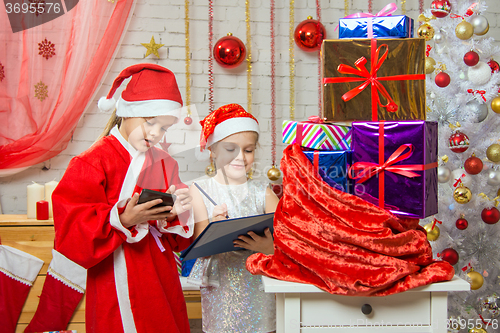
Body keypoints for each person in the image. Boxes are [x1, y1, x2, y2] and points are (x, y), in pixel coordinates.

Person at [51, 64, 194, 333]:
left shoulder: (164, 163)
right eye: (149, 123)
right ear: (128, 113)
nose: (155, 134)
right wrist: (123, 218)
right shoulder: (91, 162)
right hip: (114, 276)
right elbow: (71, 229)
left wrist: (175, 212)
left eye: (163, 128)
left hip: (160, 274)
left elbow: (178, 240)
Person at [188, 103, 280, 333]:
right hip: (221, 292)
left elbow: (287, 241)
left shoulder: (263, 192)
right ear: (213, 151)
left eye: (248, 150)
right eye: (231, 149)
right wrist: (213, 226)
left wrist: (270, 247)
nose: (240, 157)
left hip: (259, 289)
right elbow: (200, 245)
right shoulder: (200, 190)